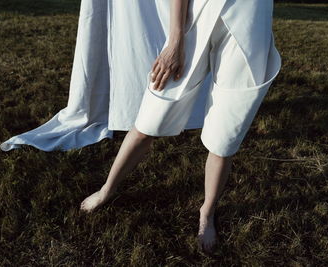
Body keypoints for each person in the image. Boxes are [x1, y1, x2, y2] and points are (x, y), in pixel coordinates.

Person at [80, 0, 281, 254]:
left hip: (250, 23)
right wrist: (175, 39)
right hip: (196, 19)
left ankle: (207, 211)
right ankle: (106, 189)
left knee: (225, 136)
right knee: (150, 119)